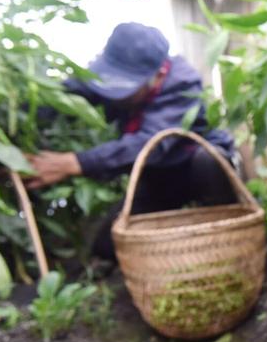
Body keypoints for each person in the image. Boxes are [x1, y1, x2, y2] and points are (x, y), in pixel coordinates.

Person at [26, 22, 237, 259]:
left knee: (209, 161)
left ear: (158, 76)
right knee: (109, 245)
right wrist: (27, 106)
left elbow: (151, 144)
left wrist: (76, 163)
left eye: (125, 89)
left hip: (191, 167)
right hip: (158, 176)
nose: (115, 96)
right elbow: (72, 92)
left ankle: (227, 227)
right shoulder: (112, 74)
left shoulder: (182, 83)